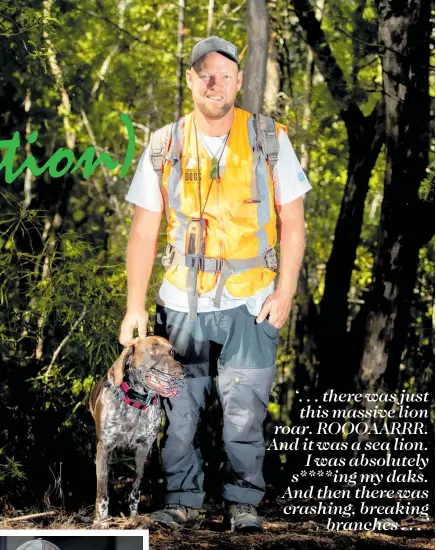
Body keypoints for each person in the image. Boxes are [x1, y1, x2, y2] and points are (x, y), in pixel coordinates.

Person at [120, 36, 311, 532]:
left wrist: (286, 290)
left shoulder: (269, 138)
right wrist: (134, 306)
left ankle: (243, 503)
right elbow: (143, 230)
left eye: (224, 74)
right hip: (181, 304)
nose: (214, 82)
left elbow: (294, 221)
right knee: (179, 411)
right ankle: (181, 501)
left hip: (252, 301)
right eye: (204, 73)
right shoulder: (165, 144)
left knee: (244, 414)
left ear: (239, 81)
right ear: (190, 79)